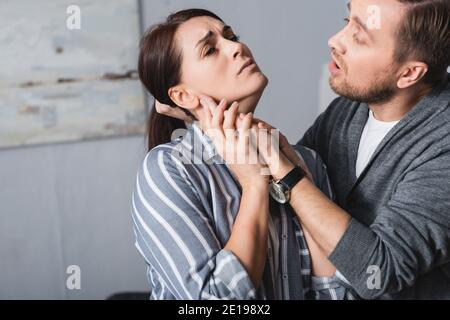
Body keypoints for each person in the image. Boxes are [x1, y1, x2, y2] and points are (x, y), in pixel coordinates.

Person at [198, 0, 450, 299]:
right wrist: (189, 108)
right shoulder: (349, 108)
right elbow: (292, 195)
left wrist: (287, 174)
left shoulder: (442, 144)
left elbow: (377, 273)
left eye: (359, 36)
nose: (335, 40)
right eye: (347, 20)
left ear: (409, 74)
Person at [131, 8, 354, 300]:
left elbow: (342, 295)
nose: (237, 47)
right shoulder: (170, 170)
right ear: (183, 96)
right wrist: (254, 185)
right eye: (210, 49)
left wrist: (297, 179)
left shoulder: (305, 162)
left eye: (232, 36)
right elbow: (213, 302)